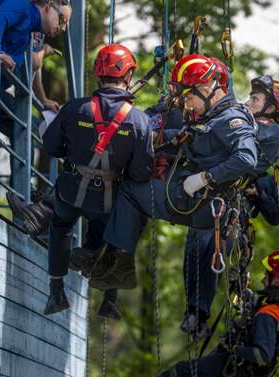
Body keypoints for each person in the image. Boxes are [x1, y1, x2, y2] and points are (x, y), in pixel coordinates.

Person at [99, 54, 258, 285]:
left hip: (196, 202)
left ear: (209, 87)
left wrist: (204, 178)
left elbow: (246, 158)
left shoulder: (231, 119)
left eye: (189, 94)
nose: (186, 101)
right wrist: (149, 137)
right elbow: (193, 138)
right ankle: (114, 261)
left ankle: (118, 265)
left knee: (129, 189)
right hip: (192, 196)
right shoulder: (211, 115)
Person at [98, 249, 279, 377]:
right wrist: (240, 288)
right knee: (187, 372)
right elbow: (260, 318)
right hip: (251, 368)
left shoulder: (268, 314)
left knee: (182, 372)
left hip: (242, 366)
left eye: (268, 275)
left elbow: (263, 354)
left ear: (277, 280)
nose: (263, 279)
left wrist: (235, 349)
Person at [41, 44, 154, 316]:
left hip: (71, 189)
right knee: (113, 234)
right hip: (108, 197)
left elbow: (51, 146)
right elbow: (141, 172)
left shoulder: (74, 109)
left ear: (97, 75)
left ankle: (56, 292)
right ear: (127, 76)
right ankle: (109, 300)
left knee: (61, 226)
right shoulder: (139, 121)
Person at [181, 75, 279, 339]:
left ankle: (199, 313)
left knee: (209, 247)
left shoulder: (266, 148)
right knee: (196, 246)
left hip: (232, 220)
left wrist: (257, 192)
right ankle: (194, 312)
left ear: (271, 108)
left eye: (255, 99)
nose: (248, 101)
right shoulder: (239, 129)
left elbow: (276, 214)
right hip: (210, 205)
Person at [0, 0, 72, 193]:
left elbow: (33, 66)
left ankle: (20, 195)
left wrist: (43, 100)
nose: (63, 28)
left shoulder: (36, 30)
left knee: (21, 127)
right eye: (62, 19)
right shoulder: (22, 6)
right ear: (49, 5)